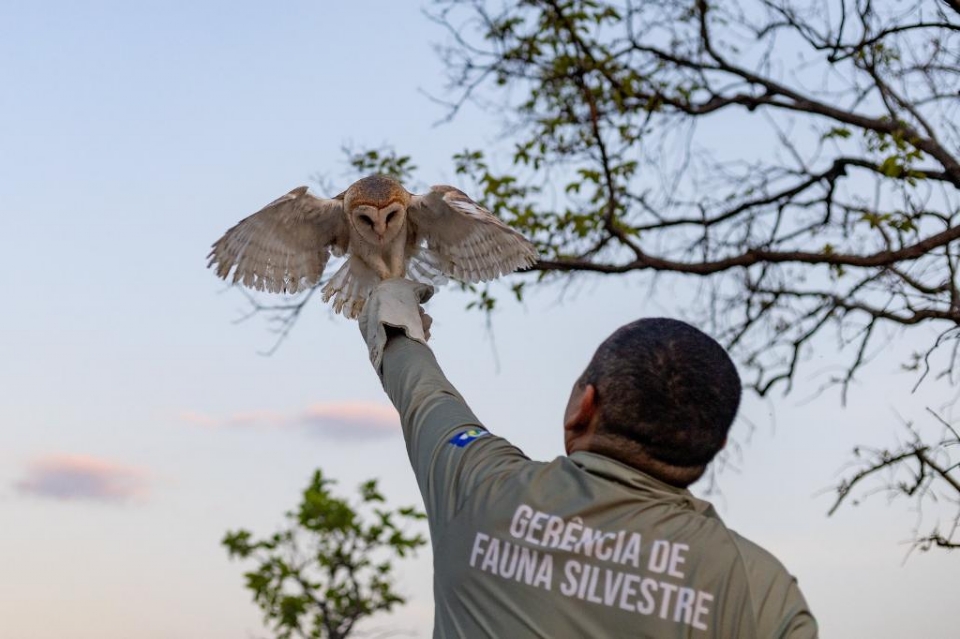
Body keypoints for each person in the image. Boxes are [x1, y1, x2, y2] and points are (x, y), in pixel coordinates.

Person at [358, 279, 818, 638]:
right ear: (714, 447)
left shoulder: (478, 484)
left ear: (584, 406)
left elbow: (424, 393)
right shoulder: (764, 592)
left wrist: (393, 306)